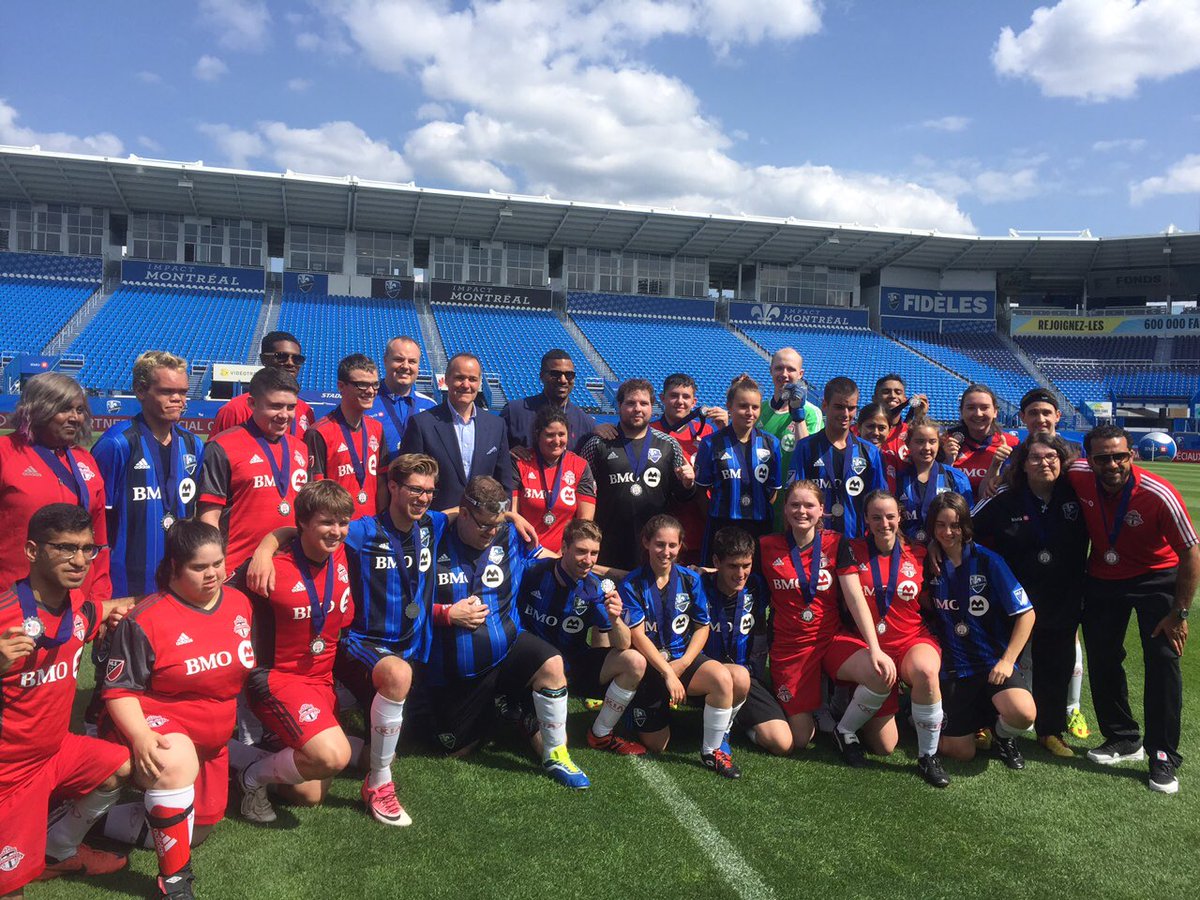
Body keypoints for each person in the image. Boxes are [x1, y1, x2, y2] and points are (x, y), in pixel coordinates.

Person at [100, 520, 257, 899]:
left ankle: (97, 820)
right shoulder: (145, 619)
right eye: (199, 567)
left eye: (217, 563)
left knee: (197, 831)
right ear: (174, 567)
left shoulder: (239, 604)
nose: (213, 574)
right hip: (158, 720)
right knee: (174, 763)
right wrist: (139, 737)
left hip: (214, 738)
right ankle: (174, 883)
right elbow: (118, 690)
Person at [0, 505, 133, 897]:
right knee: (10, 889)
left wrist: (181, 594)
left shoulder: (78, 609)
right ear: (31, 550)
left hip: (56, 752)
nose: (79, 561)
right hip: (9, 773)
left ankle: (58, 850)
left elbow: (108, 608)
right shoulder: (5, 613)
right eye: (64, 548)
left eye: (87, 549)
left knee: (123, 766)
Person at [425, 476, 590, 789]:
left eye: (497, 523)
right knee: (452, 749)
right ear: (462, 513)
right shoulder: (432, 537)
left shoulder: (511, 534)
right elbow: (410, 603)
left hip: (508, 646)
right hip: (457, 670)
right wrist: (445, 614)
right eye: (485, 524)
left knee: (552, 664)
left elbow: (558, 561)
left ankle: (557, 755)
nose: (491, 532)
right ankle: (507, 710)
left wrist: (509, 518)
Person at [1067, 425, 1198, 794]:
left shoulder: (1159, 494)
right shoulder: (1077, 474)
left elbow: (1190, 552)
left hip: (1155, 579)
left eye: (1119, 456)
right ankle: (1123, 738)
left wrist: (1180, 612)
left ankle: (1162, 755)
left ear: (1132, 455)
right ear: (1088, 460)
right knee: (1104, 657)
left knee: (1162, 659)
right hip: (1104, 577)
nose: (1112, 464)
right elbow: (1035, 462)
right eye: (1103, 458)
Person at [230, 481, 356, 823]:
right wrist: (263, 549)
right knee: (334, 756)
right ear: (303, 523)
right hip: (278, 679)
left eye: (343, 522)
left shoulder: (340, 551)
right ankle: (250, 779)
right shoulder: (269, 568)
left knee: (310, 794)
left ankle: (237, 756)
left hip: (321, 680)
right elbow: (214, 599)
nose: (337, 532)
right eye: (326, 522)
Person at [972, 434, 1089, 758]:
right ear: (1022, 464)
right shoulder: (1006, 496)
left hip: (1062, 596)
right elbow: (968, 528)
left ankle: (1050, 731)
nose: (1044, 463)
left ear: (1061, 461)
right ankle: (985, 722)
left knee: (1056, 664)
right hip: (1013, 599)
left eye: (1051, 457)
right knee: (998, 660)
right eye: (1035, 458)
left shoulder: (1076, 495)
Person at [759, 481, 895, 759]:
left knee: (879, 675)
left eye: (809, 505)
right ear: (784, 509)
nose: (802, 511)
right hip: (791, 647)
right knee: (798, 738)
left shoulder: (836, 543)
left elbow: (856, 598)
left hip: (830, 639)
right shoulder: (767, 546)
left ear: (821, 510)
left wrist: (875, 649)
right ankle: (761, 717)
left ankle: (844, 730)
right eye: (795, 504)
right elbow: (738, 574)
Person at [834, 491, 948, 787]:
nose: (883, 523)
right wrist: (875, 650)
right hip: (860, 643)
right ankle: (844, 731)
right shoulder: (851, 549)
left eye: (889, 516)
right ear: (866, 520)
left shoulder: (920, 551)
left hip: (910, 638)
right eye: (875, 517)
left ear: (900, 517)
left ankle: (928, 755)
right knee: (885, 746)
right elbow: (855, 600)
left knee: (925, 670)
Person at [621, 515, 747, 778]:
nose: (666, 552)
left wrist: (684, 663)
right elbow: (637, 635)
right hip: (651, 664)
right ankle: (634, 710)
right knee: (657, 745)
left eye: (672, 545)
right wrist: (667, 673)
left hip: (681, 658)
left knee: (724, 677)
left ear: (680, 547)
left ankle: (713, 751)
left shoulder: (691, 580)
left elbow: (702, 626)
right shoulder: (632, 583)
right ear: (646, 543)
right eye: (659, 544)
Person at [922, 492, 1036, 770]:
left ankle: (1002, 735)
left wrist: (1007, 661)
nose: (948, 532)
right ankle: (953, 718)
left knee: (1023, 714)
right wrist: (928, 549)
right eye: (940, 525)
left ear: (966, 526)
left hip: (991, 663)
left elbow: (1027, 614)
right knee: (961, 752)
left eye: (955, 525)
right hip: (953, 668)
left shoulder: (989, 561)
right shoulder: (928, 564)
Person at [516, 518, 646, 754]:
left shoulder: (595, 589)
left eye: (594, 553)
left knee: (634, 662)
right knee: (553, 748)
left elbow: (623, 644)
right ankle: (516, 708)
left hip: (573, 666)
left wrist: (615, 618)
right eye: (581, 551)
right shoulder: (533, 572)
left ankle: (601, 734)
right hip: (533, 670)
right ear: (564, 548)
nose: (588, 560)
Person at [93, 351, 204, 597]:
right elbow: (95, 522)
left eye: (183, 392)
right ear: (141, 391)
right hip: (125, 586)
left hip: (178, 580)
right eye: (167, 391)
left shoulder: (193, 446)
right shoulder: (117, 445)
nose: (178, 399)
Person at [1013, 387, 1088, 738]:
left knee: (1066, 645)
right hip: (1025, 573)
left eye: (1047, 413)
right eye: (1033, 414)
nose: (1041, 419)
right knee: (1022, 644)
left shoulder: (1077, 458)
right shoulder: (1016, 456)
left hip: (1065, 578)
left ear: (1058, 416)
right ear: (1023, 418)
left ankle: (1069, 711)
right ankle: (1024, 710)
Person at [0, 372, 110, 600]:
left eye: (79, 410)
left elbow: (99, 537)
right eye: (64, 409)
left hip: (75, 600)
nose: (75, 418)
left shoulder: (85, 460)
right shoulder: (5, 452)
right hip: (13, 596)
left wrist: (98, 594)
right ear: (38, 409)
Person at [198, 367, 310, 572]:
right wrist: (215, 565)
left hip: (290, 565)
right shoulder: (222, 446)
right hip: (237, 567)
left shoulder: (300, 449)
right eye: (275, 406)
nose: (284, 415)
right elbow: (209, 518)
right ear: (252, 403)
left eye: (290, 407)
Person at [578, 379, 696, 568]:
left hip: (654, 548)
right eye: (631, 403)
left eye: (644, 403)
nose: (637, 409)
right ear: (619, 406)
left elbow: (681, 497)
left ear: (652, 406)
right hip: (607, 544)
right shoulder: (598, 444)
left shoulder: (669, 445)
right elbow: (581, 492)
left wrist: (689, 484)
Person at [700, 527, 792, 755]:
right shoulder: (698, 585)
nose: (740, 574)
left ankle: (738, 722)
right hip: (703, 675)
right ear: (716, 561)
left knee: (782, 743)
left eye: (746, 566)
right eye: (732, 566)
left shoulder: (758, 586)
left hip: (745, 678)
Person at [399, 353, 512, 510]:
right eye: (459, 378)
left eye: (472, 379)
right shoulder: (421, 424)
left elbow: (504, 481)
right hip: (437, 521)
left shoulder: (496, 425)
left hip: (481, 524)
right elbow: (408, 480)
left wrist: (499, 516)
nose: (466, 385)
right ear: (446, 379)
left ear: (479, 383)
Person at [695, 375, 782, 561]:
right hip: (722, 525)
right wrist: (718, 512)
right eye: (743, 406)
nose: (750, 412)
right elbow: (701, 491)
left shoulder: (771, 443)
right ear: (729, 406)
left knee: (756, 580)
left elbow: (773, 492)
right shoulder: (711, 443)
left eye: (755, 407)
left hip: (759, 526)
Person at [792, 377, 886, 538]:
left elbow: (879, 501)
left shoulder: (870, 452)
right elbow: (794, 498)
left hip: (856, 541)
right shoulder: (805, 447)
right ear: (825, 405)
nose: (845, 414)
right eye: (839, 407)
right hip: (814, 541)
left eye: (851, 408)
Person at [306, 353, 385, 519]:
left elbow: (382, 481)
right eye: (362, 385)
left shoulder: (376, 428)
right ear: (341, 386)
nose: (370, 391)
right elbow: (316, 492)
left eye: (375, 384)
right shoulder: (319, 432)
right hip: (338, 528)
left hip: (373, 526)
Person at [512, 405, 596, 554]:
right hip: (524, 552)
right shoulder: (520, 463)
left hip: (563, 557)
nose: (557, 441)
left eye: (561, 434)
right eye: (550, 435)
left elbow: (585, 522)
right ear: (538, 435)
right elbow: (512, 514)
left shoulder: (580, 466)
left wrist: (563, 554)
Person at [757, 348, 822, 528]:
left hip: (795, 504)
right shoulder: (757, 410)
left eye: (791, 369)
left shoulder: (811, 413)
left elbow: (809, 455)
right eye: (779, 368)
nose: (784, 374)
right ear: (770, 370)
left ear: (800, 374)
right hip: (762, 500)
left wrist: (797, 413)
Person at [213, 331, 315, 437]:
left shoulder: (306, 410)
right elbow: (217, 451)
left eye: (297, 359)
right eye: (281, 356)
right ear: (264, 359)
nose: (290, 363)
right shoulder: (235, 410)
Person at [893, 417, 973, 543]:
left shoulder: (956, 478)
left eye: (932, 441)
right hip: (908, 553)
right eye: (920, 442)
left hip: (945, 550)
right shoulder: (898, 479)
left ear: (938, 444)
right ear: (908, 444)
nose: (926, 447)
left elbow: (966, 521)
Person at [501, 349, 597, 452]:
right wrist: (508, 453)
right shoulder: (514, 412)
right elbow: (494, 452)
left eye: (569, 375)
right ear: (542, 376)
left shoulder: (586, 422)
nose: (563, 380)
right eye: (555, 374)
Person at [941, 384, 1018, 496]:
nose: (978, 413)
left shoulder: (1011, 444)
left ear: (995, 412)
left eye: (984, 407)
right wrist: (947, 462)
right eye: (971, 408)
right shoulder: (945, 441)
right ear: (961, 412)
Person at [369, 335, 435, 464]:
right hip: (377, 482)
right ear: (385, 361)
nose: (405, 366)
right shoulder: (367, 402)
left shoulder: (430, 406)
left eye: (412, 361)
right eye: (399, 359)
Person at [872, 374, 929, 467]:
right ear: (874, 399)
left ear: (904, 399)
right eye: (886, 392)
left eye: (898, 392)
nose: (892, 395)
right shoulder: (860, 431)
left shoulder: (910, 432)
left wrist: (920, 417)